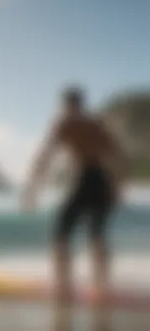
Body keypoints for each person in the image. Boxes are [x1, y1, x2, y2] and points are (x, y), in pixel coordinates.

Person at [22, 86, 127, 304]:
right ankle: (102, 287)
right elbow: (118, 156)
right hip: (102, 181)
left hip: (86, 179)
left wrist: (31, 189)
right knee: (97, 233)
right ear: (82, 103)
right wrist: (117, 188)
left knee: (61, 231)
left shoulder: (65, 124)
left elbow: (45, 156)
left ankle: (63, 286)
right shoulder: (96, 125)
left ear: (66, 105)